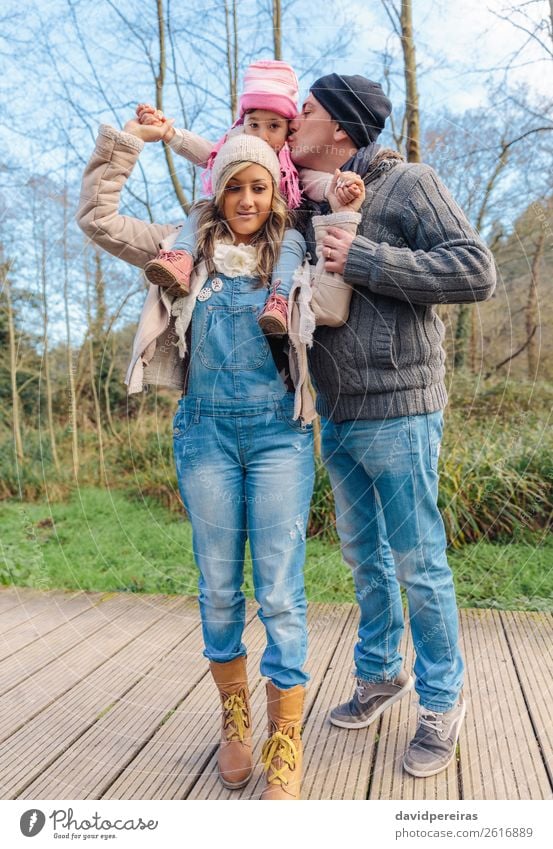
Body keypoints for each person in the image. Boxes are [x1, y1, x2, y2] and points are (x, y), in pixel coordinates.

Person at [76, 121, 328, 800]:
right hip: (205, 436)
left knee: (278, 588)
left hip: (279, 436)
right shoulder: (177, 248)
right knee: (219, 585)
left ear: (274, 192)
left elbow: (347, 211)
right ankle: (234, 716)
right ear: (215, 193)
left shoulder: (297, 252)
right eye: (233, 187)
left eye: (258, 187)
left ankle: (285, 736)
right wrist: (125, 145)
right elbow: (97, 218)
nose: (245, 199)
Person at [287, 73, 497, 778]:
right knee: (363, 558)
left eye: (307, 109)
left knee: (418, 561)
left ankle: (442, 700)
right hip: (337, 412)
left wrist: (370, 259)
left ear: (342, 129)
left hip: (403, 406)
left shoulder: (408, 183)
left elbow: (475, 269)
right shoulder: (304, 198)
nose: (293, 117)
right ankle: (381, 673)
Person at [136, 59, 348, 335]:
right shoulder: (237, 144)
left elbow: (309, 181)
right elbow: (208, 154)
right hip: (236, 232)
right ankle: (181, 259)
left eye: (274, 126)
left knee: (293, 240)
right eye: (254, 124)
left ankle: (279, 300)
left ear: (288, 129)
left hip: (274, 236)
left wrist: (337, 186)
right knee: (201, 210)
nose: (262, 135)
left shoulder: (289, 158)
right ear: (243, 122)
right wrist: (170, 134)